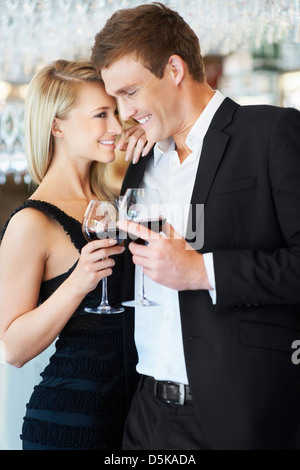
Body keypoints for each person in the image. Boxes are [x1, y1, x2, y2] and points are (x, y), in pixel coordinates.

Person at [91, 2, 300, 450]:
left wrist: (202, 272)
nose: (124, 113)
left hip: (236, 414)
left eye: (131, 93)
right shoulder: (143, 157)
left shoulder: (271, 133)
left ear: (174, 69)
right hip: (144, 409)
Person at [0, 59, 150, 450]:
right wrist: (77, 283)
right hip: (72, 421)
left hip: (136, 416)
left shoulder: (115, 205)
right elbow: (12, 349)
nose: (116, 127)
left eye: (115, 112)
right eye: (101, 114)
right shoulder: (32, 222)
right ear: (56, 125)